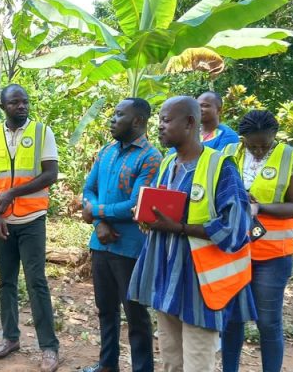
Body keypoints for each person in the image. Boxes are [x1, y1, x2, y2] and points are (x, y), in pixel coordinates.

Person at [128, 96, 256, 372]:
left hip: (201, 288)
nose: (159, 126)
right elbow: (164, 214)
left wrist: (180, 229)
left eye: (165, 120)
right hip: (166, 283)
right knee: (172, 363)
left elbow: (236, 228)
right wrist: (146, 217)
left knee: (198, 365)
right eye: (159, 120)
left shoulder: (221, 167)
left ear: (189, 122)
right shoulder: (167, 164)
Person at [0, 84, 61, 372]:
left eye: (25, 101)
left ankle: (49, 347)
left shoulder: (42, 132)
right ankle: (10, 338)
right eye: (14, 102)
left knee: (36, 282)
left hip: (32, 219)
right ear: (3, 106)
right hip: (3, 222)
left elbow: (50, 174)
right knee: (6, 282)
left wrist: (13, 193)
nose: (22, 106)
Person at [220, 110, 293, 372]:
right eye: (252, 144)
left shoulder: (292, 157)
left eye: (265, 144)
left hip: (273, 255)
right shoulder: (229, 154)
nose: (258, 150)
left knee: (268, 321)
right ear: (242, 138)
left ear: (274, 136)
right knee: (232, 320)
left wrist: (261, 207)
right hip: (234, 251)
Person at [81, 98, 161, 372]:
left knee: (136, 315)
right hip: (101, 243)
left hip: (130, 248)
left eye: (119, 115)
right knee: (106, 310)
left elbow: (138, 205)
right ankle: (108, 365)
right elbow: (88, 189)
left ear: (137, 121)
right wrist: (99, 222)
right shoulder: (107, 151)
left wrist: (97, 211)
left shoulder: (151, 157)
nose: (112, 120)